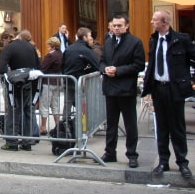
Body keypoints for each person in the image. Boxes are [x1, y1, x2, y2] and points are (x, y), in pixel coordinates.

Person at [141, 10, 195, 179]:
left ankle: (182, 163)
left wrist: (190, 80)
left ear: (164, 22)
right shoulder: (154, 39)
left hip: (175, 89)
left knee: (177, 127)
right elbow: (153, 64)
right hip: (159, 88)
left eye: (154, 20)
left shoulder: (181, 40)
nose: (151, 22)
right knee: (161, 127)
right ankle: (163, 161)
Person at [99, 15, 145, 168]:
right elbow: (102, 61)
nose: (117, 28)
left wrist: (118, 70)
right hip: (110, 88)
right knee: (111, 123)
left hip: (126, 89)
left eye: (120, 25)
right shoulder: (109, 41)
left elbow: (139, 65)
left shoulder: (135, 42)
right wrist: (105, 69)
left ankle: (132, 154)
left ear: (127, 26)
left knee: (130, 123)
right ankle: (110, 152)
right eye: (114, 25)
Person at [0, 29, 41, 151]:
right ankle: (27, 142)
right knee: (27, 111)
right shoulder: (31, 47)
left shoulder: (9, 48)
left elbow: (1, 68)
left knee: (13, 111)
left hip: (14, 84)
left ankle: (11, 142)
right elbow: (38, 66)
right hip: (30, 83)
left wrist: (11, 73)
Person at [61, 27, 99, 120]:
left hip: (68, 79)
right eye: (89, 36)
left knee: (68, 103)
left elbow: (62, 64)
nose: (91, 38)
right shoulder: (86, 50)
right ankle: (81, 125)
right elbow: (97, 65)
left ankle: (66, 124)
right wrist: (86, 71)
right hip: (79, 81)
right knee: (82, 104)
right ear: (84, 37)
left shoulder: (69, 49)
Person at [39, 36, 63, 136]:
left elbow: (43, 68)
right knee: (55, 105)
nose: (47, 47)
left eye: (48, 46)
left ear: (52, 46)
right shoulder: (61, 55)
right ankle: (58, 126)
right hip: (57, 81)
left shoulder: (50, 56)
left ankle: (43, 126)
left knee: (44, 104)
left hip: (47, 82)